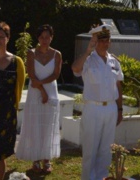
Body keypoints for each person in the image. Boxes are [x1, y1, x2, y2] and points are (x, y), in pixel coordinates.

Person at [72, 25, 123, 180]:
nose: (105, 44)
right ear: (95, 41)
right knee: (90, 149)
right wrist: (88, 50)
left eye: (107, 40)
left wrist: (120, 109)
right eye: (101, 40)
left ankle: (102, 177)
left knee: (106, 149)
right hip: (93, 108)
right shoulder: (88, 60)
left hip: (111, 108)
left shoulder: (114, 61)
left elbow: (118, 85)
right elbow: (75, 68)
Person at [16, 25, 62, 174]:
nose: (44, 40)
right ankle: (35, 159)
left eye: (47, 37)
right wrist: (42, 91)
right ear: (38, 38)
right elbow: (32, 74)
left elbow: (55, 74)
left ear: (52, 37)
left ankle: (46, 159)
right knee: (35, 123)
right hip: (35, 92)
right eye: (42, 37)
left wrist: (43, 86)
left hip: (51, 91)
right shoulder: (31, 53)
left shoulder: (57, 54)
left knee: (48, 124)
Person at [0, 22, 25, 180]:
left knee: (0, 157)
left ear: (8, 38)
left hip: (6, 116)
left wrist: (13, 110)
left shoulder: (17, 62)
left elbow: (19, 89)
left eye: (1, 37)